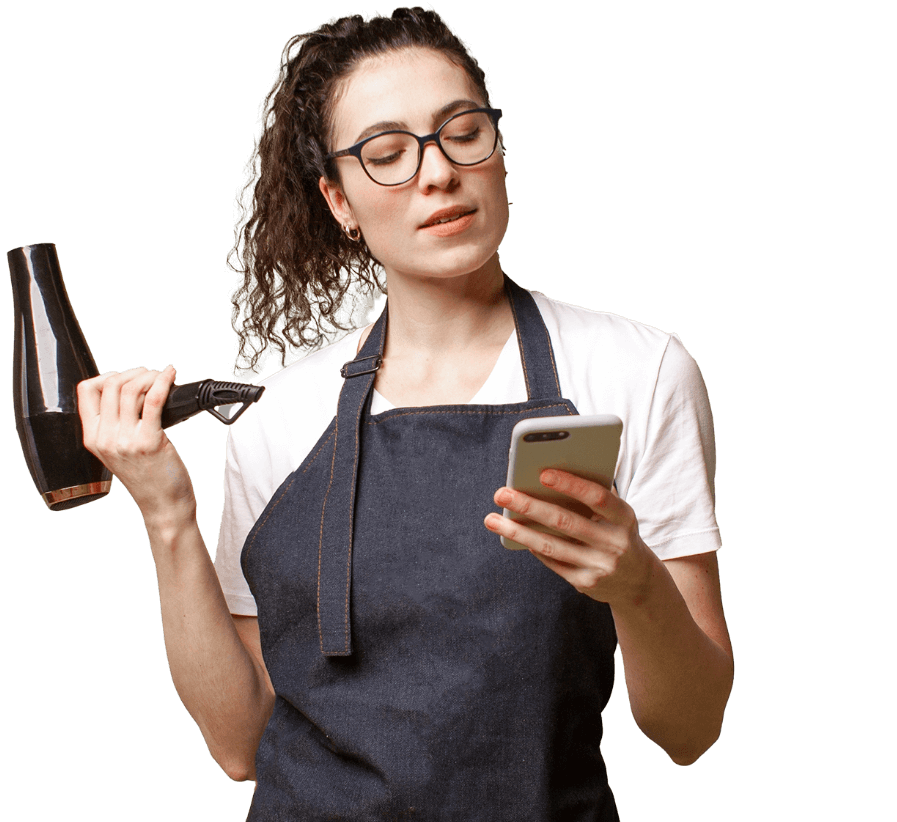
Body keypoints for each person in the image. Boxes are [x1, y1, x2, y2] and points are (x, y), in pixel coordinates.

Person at [77, 7, 733, 820]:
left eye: (462, 132)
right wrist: (167, 512)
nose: (437, 173)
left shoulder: (637, 372)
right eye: (386, 154)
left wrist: (637, 585)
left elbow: (691, 730)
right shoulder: (279, 414)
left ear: (498, 154)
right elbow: (241, 744)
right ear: (338, 201)